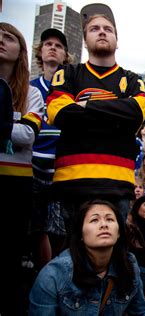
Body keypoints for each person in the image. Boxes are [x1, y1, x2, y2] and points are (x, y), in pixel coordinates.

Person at [45, 4, 145, 228]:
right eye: (94, 29)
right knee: (72, 255)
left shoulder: (132, 80)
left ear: (116, 40)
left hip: (117, 182)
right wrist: (116, 111)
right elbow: (60, 113)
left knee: (114, 253)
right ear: (84, 40)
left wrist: (84, 106)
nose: (102, 32)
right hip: (72, 180)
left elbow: (136, 113)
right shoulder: (67, 73)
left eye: (108, 29)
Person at [29, 200, 145, 315]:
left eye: (109, 219)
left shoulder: (129, 265)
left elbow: (142, 312)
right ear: (81, 233)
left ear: (119, 232)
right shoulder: (54, 274)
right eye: (94, 220)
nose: (104, 225)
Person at [0, 22, 44, 314]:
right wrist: (9, 127)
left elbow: (28, 135)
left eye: (8, 37)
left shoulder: (32, 95)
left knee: (9, 254)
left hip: (15, 185)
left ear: (21, 50)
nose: (0, 41)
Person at [30, 28, 72, 267]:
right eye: (48, 44)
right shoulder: (30, 87)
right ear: (40, 51)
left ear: (65, 54)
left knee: (60, 228)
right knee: (37, 228)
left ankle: (54, 273)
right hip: (33, 167)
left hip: (62, 170)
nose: (53, 47)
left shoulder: (71, 88)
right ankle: (42, 275)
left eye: (58, 45)